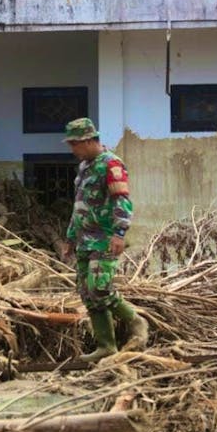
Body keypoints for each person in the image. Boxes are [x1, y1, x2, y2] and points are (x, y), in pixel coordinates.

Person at [61, 118, 148, 362]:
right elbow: (79, 206)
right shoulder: (84, 168)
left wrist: (119, 233)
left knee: (100, 288)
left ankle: (136, 321)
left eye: (75, 144)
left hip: (104, 240)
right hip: (83, 240)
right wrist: (69, 238)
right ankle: (106, 346)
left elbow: (123, 201)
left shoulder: (111, 164)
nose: (72, 150)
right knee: (87, 293)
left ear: (88, 141)